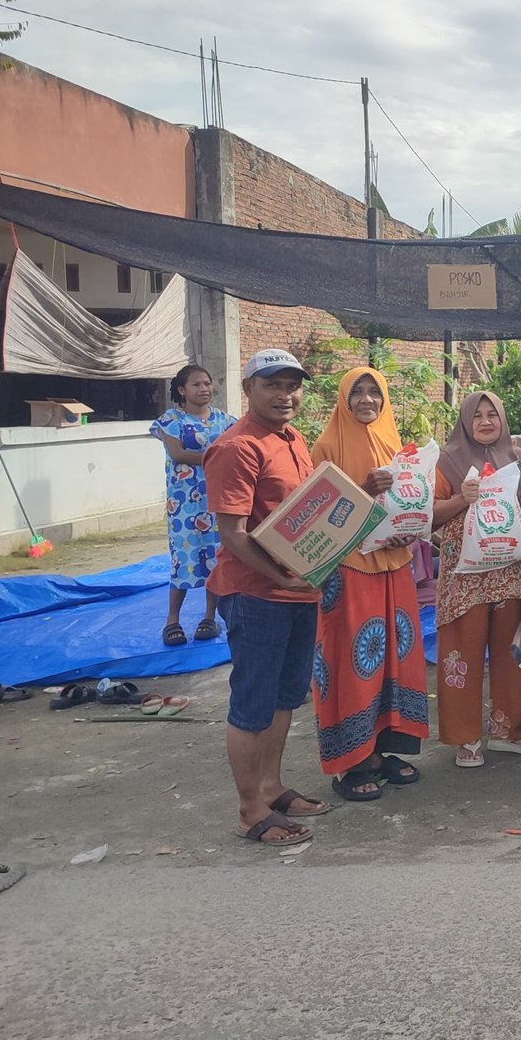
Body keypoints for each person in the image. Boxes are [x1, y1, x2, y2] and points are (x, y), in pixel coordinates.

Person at [204, 349, 330, 847]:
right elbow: (234, 534)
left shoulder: (292, 438)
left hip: (298, 591)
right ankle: (250, 810)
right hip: (256, 594)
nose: (285, 395)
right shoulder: (237, 447)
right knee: (252, 702)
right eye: (272, 385)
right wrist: (281, 578)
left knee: (284, 696)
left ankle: (273, 788)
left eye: (292, 385)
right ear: (249, 389)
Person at [309, 368, 429, 802]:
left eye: (374, 392)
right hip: (348, 568)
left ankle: (388, 750)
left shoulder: (395, 446)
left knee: (398, 658)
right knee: (352, 661)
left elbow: (409, 504)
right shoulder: (325, 447)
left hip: (394, 565)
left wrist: (408, 531)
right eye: (356, 392)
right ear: (343, 399)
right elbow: (316, 518)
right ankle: (351, 762)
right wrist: (362, 489)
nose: (366, 400)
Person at [432, 392, 521, 768]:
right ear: (465, 420)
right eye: (477, 415)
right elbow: (429, 515)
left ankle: (509, 731)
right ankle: (466, 739)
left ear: (502, 419)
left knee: (512, 652)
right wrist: (463, 499)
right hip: (464, 578)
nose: (484, 421)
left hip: (509, 573)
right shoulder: (446, 462)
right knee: (460, 654)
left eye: (492, 414)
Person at [150, 364, 235, 647]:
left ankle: (209, 617)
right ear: (181, 390)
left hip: (218, 499)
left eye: (208, 383)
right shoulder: (170, 420)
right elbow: (180, 454)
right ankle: (172, 620)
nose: (205, 389)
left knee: (215, 557)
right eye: (197, 384)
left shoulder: (226, 421)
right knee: (183, 559)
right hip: (184, 504)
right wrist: (218, 457)